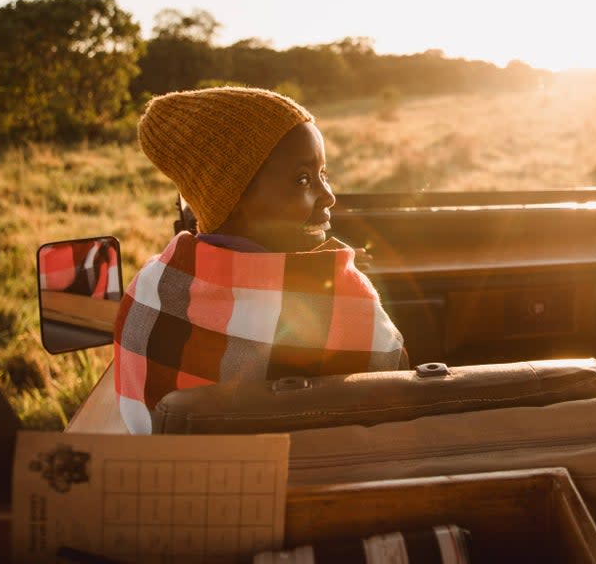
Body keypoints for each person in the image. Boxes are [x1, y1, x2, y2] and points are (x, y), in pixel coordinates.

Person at [113, 87, 408, 434]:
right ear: (232, 196)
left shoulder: (149, 287)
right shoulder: (344, 301)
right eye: (303, 179)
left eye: (323, 175)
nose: (328, 196)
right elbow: (398, 393)